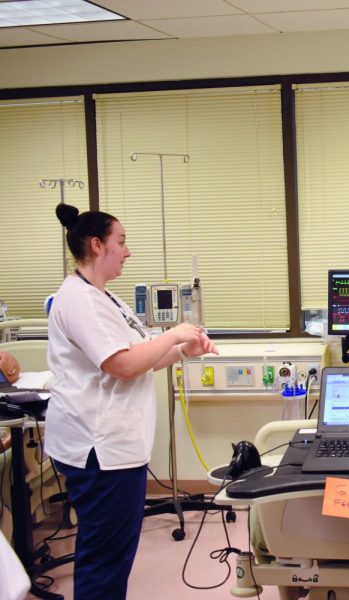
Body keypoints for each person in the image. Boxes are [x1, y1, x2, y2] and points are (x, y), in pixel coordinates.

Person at [45, 203, 218, 599]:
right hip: (98, 451)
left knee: (113, 553)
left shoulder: (106, 298)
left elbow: (139, 358)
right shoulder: (80, 301)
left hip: (115, 447)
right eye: (120, 242)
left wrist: (182, 352)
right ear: (96, 245)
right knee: (105, 558)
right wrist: (174, 334)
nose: (127, 250)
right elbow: (121, 365)